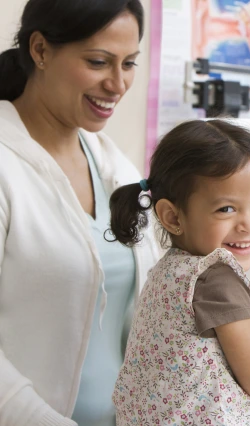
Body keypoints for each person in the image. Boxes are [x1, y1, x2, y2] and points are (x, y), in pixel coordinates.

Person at [0, 1, 161, 425]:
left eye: (129, 63)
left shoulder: (116, 168)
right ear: (40, 50)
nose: (118, 83)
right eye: (98, 62)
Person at [109, 119, 250, 426]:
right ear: (172, 216)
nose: (248, 224)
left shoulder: (170, 269)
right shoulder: (217, 277)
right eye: (226, 209)